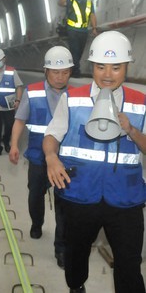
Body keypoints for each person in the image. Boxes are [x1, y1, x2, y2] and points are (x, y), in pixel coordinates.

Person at [43, 31, 146, 293]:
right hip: (80, 194)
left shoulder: (141, 103)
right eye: (101, 66)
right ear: (92, 67)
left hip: (126, 198)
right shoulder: (73, 98)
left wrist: (132, 130)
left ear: (127, 67)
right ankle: (76, 286)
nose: (108, 74)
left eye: (116, 67)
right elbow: (52, 134)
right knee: (75, 254)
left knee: (130, 264)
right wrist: (51, 157)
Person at [8, 46, 73, 268]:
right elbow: (20, 120)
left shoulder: (75, 96)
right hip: (37, 157)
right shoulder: (32, 91)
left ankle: (61, 247)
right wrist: (14, 144)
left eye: (65, 72)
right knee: (35, 195)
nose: (60, 76)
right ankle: (37, 222)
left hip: (64, 160)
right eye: (55, 72)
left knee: (64, 204)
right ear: (46, 72)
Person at [0, 48, 23, 157]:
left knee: (9, 126)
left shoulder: (12, 71)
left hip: (8, 105)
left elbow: (19, 87)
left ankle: (6, 142)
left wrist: (18, 100)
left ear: (4, 59)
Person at [58, 0, 98, 78]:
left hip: (83, 31)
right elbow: (60, 3)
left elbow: (92, 15)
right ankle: (76, 71)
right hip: (72, 30)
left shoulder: (89, 3)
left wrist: (94, 28)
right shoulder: (70, 0)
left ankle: (72, 67)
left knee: (80, 51)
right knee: (75, 50)